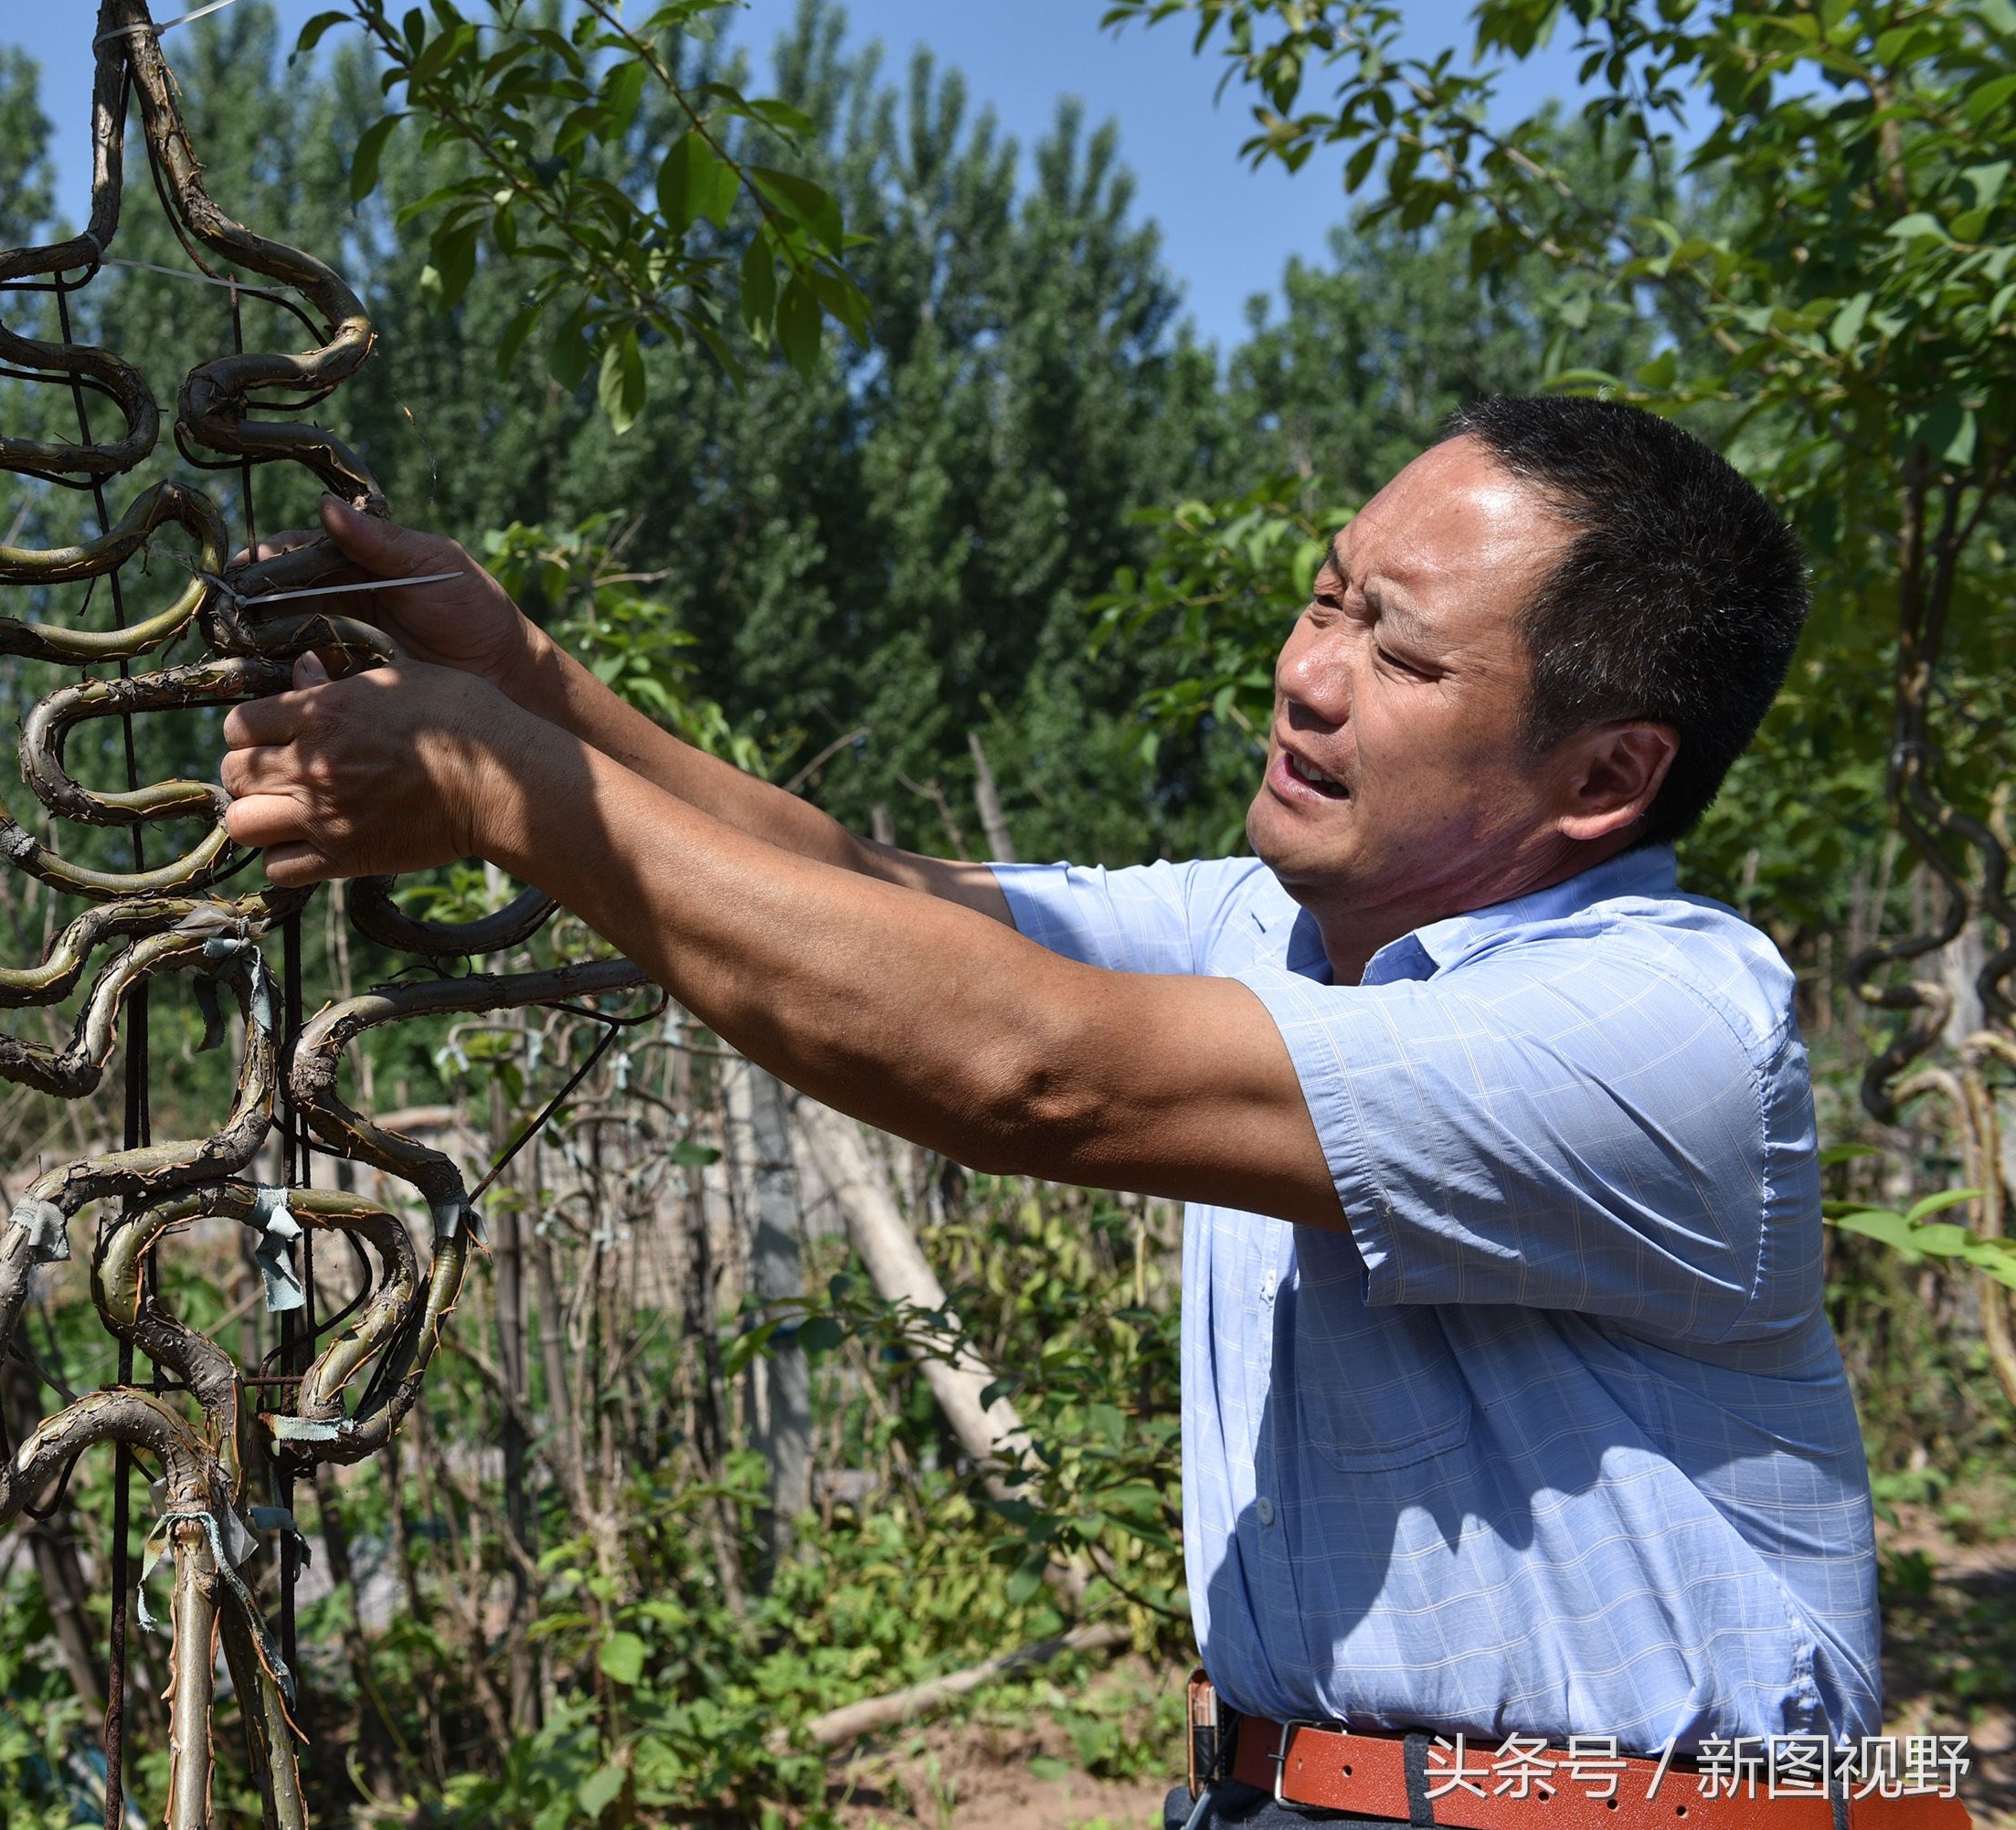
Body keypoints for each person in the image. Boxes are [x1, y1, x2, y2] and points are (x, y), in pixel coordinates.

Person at [218, 397, 1915, 1826]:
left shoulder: (1661, 1024)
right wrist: (522, 680)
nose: (1310, 673)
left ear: (1606, 777)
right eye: (1328, 599)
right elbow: (879, 901)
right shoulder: (1282, 934)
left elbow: (1038, 1067)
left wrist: (500, 787)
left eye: (1402, 654)